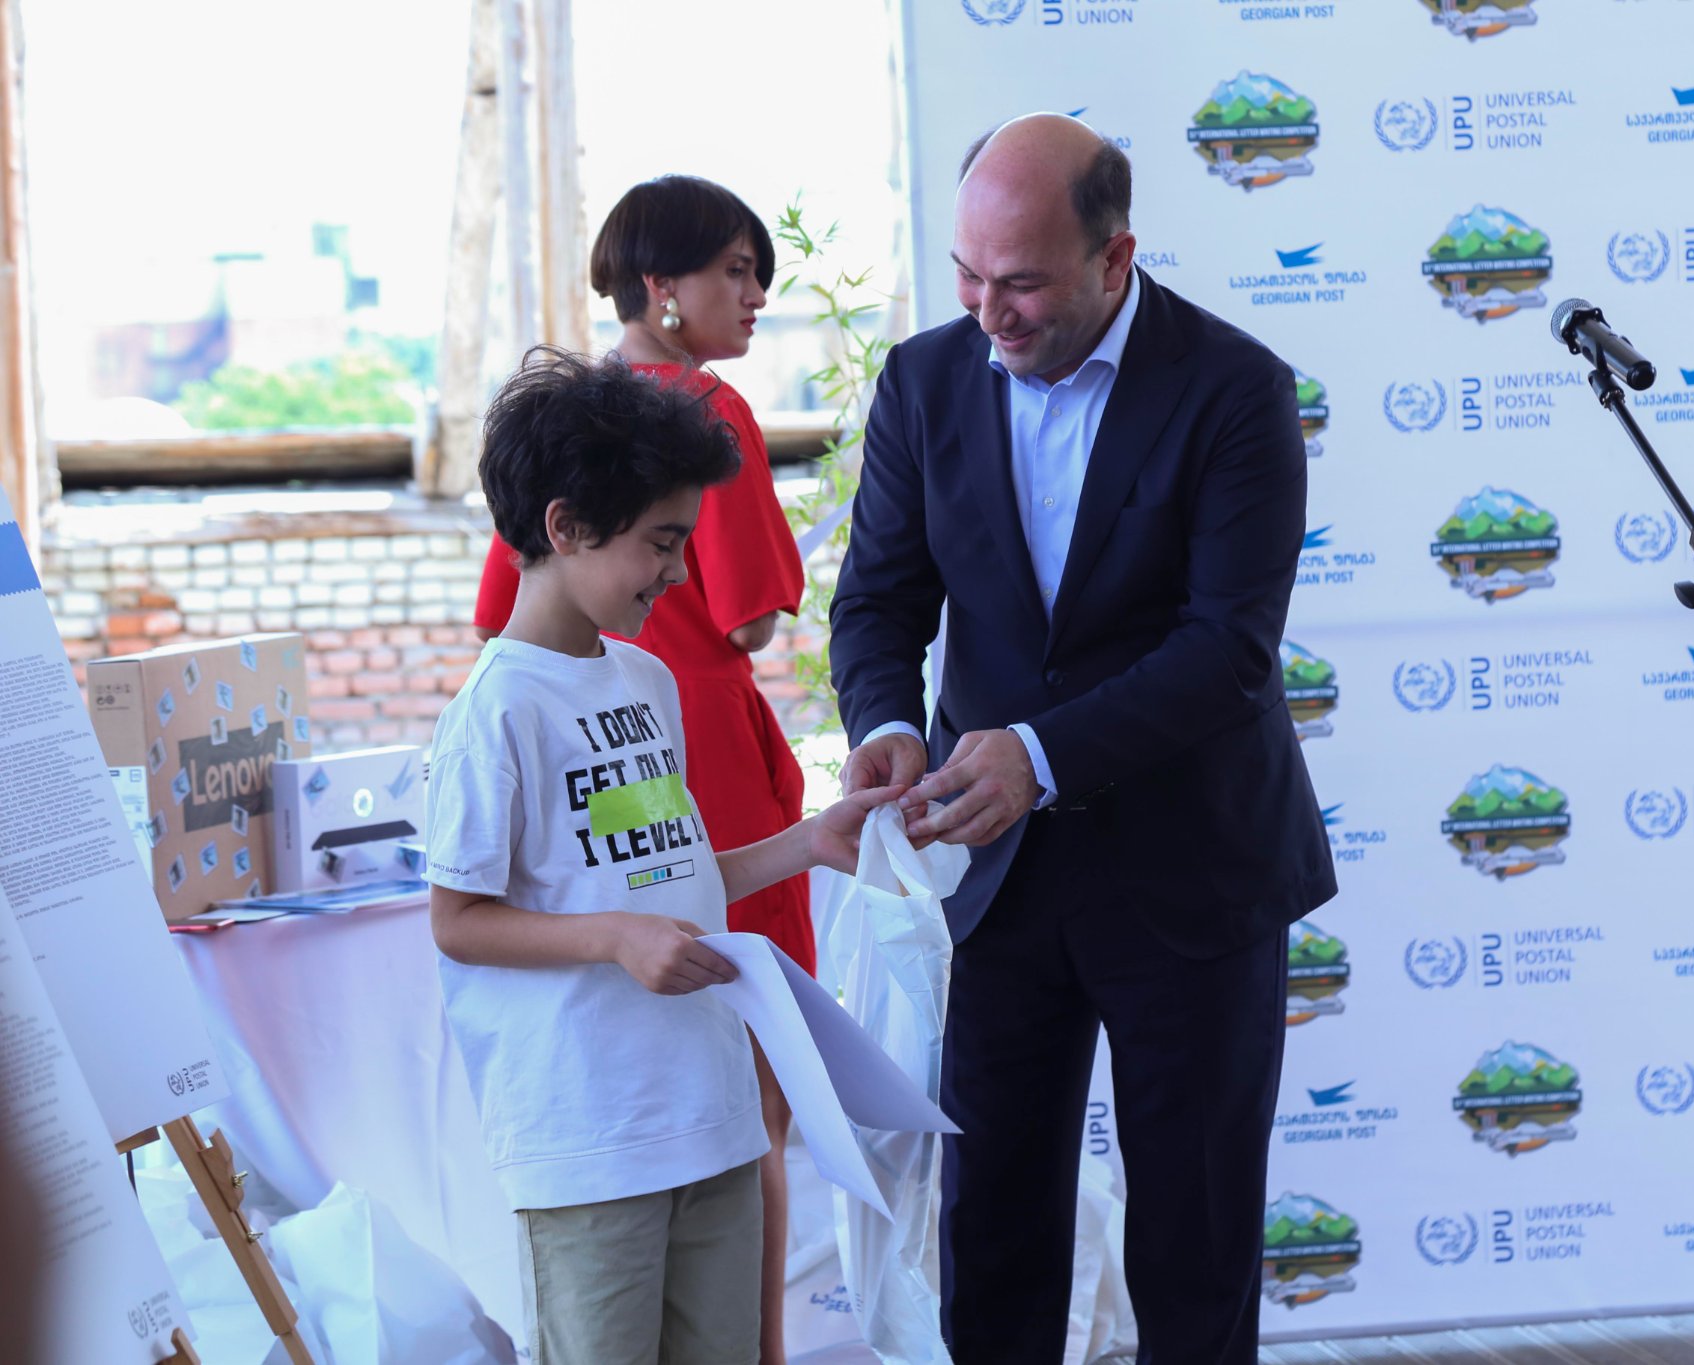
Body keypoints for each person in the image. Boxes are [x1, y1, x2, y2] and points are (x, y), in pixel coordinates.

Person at [830, 113, 1338, 1362]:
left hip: (1193, 873)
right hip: (992, 881)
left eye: (1019, 283)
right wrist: (888, 723)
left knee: (1193, 1249)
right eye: (966, 275)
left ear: (1114, 259)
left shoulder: (1235, 389)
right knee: (992, 1239)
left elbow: (1228, 649)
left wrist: (1037, 755)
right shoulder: (921, 381)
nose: (985, 311)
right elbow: (877, 602)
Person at [428, 347, 902, 1364]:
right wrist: (614, 939)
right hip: (591, 1146)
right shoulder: (495, 712)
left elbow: (668, 877)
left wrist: (806, 843)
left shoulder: (645, 680)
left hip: (713, 1121)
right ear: (565, 526)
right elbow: (457, 921)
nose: (680, 573)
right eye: (661, 542)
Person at [470, 174, 811, 1362]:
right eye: (737, 270)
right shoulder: (705, 413)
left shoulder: (567, 423)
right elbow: (754, 615)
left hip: (623, 758)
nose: (753, 296)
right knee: (748, 1101)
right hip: (701, 750)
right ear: (662, 286)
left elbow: (497, 612)